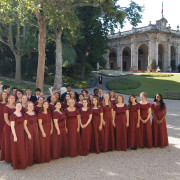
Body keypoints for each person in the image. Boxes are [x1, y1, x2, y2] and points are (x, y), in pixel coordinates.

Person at [10, 101, 27, 169]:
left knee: (21, 149)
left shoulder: (21, 113)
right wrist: (15, 136)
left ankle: (22, 163)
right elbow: (12, 127)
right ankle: (16, 164)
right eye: (18, 106)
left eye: (20, 106)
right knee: (16, 149)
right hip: (15, 134)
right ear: (15, 107)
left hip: (21, 133)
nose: (19, 107)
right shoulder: (13, 115)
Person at [24, 101, 40, 166]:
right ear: (27, 107)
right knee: (29, 145)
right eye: (29, 106)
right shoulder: (26, 114)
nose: (31, 107)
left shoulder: (34, 113)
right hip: (29, 130)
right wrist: (28, 133)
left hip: (35, 130)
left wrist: (37, 130)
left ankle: (36, 158)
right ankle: (30, 160)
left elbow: (36, 122)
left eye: (32, 106)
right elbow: (24, 125)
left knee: (35, 144)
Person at [1, 95, 16, 162]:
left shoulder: (16, 106)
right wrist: (12, 126)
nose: (12, 99)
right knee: (8, 141)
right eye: (11, 98)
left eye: (13, 98)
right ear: (8, 99)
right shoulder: (6, 107)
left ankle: (14, 156)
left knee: (14, 141)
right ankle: (8, 157)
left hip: (16, 127)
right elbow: (6, 119)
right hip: (8, 126)